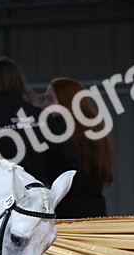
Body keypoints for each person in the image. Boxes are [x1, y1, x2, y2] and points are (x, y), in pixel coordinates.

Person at [0, 56, 79, 192]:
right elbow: (69, 159)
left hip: (3, 200)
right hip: (39, 197)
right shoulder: (40, 115)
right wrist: (46, 185)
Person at [43, 77, 115, 218]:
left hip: (65, 209)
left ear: (65, 102)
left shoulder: (56, 129)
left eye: (50, 99)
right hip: (96, 207)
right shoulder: (96, 127)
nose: (44, 105)